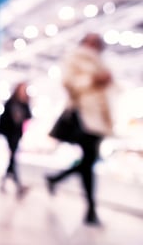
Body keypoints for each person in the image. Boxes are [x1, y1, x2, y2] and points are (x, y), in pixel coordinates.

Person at [46, 32, 114, 225]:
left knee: (88, 161)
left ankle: (55, 179)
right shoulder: (75, 58)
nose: (94, 45)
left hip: (99, 119)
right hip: (84, 115)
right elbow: (69, 83)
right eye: (91, 41)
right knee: (89, 161)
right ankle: (91, 209)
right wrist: (93, 80)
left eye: (97, 41)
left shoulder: (103, 64)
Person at [0, 82, 32, 198]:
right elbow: (4, 119)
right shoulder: (10, 103)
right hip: (10, 133)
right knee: (12, 159)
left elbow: (28, 116)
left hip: (17, 134)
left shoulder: (24, 103)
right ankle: (18, 186)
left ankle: (5, 183)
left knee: (12, 160)